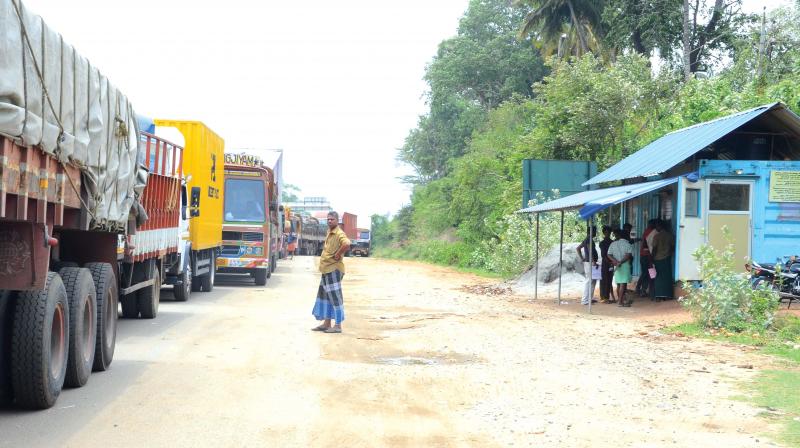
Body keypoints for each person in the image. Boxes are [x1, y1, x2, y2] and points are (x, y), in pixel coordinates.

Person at [311, 211, 351, 333]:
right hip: (326, 269)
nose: (329, 221)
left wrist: (338, 254)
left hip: (334, 269)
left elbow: (347, 243)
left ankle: (338, 325)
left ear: (337, 221)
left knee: (335, 297)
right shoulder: (329, 232)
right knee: (325, 297)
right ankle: (327, 323)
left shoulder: (339, 233)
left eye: (332, 219)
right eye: (328, 219)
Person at [608, 228, 634, 307]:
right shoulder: (628, 244)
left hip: (616, 265)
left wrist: (615, 261)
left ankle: (621, 300)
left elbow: (609, 254)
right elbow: (628, 255)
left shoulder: (613, 244)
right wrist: (621, 262)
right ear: (626, 236)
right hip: (624, 265)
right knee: (623, 284)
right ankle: (620, 302)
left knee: (619, 284)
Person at [650, 220, 675, 301]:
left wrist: (651, 258)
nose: (656, 228)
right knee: (667, 277)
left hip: (658, 259)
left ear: (660, 226)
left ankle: (658, 296)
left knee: (658, 277)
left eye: (657, 226)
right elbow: (672, 247)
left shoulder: (656, 236)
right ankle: (667, 295)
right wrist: (670, 254)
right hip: (667, 258)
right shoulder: (670, 235)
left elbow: (654, 249)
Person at [576, 225, 599, 305]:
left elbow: (578, 248)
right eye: (595, 231)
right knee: (589, 281)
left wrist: (582, 258)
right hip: (590, 262)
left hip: (588, 262)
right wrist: (593, 261)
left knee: (592, 281)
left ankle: (589, 299)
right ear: (592, 231)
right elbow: (590, 250)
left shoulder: (587, 239)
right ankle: (585, 300)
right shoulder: (589, 239)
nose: (595, 233)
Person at [636, 220, 658, 298]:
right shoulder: (653, 232)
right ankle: (643, 290)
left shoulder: (647, 231)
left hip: (644, 255)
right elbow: (650, 246)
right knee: (649, 273)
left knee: (646, 273)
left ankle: (643, 290)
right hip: (647, 256)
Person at [598, 225, 615, 304]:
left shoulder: (612, 242)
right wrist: (611, 262)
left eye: (609, 232)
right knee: (604, 280)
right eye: (607, 232)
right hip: (606, 264)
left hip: (610, 263)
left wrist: (611, 262)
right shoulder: (602, 243)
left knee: (609, 280)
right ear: (604, 233)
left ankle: (606, 297)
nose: (608, 234)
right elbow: (603, 255)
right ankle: (603, 297)